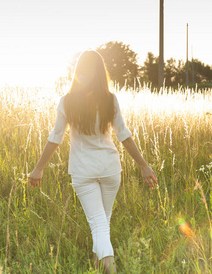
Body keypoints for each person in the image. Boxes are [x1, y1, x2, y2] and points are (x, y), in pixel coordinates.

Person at [29, 50, 158, 273]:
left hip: (83, 171)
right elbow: (124, 134)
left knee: (99, 224)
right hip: (110, 169)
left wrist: (38, 168)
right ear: (101, 72)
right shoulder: (110, 99)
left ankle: (109, 268)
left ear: (79, 71)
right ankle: (97, 266)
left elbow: (55, 138)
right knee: (102, 223)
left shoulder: (67, 102)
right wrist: (143, 165)